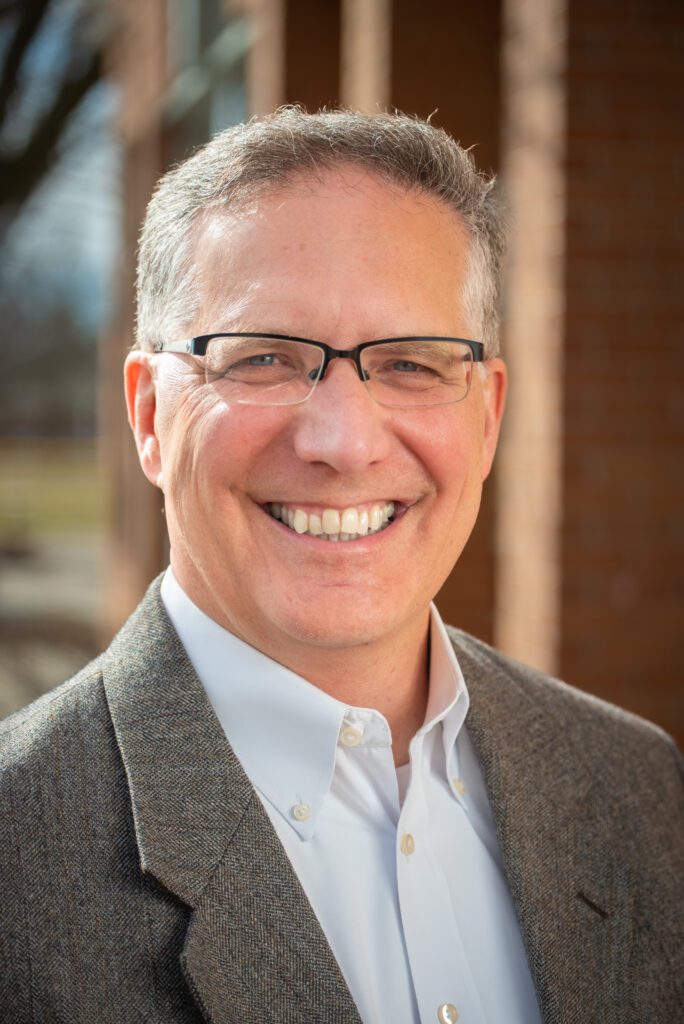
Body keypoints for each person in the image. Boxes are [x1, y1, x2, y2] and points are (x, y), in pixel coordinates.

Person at [1, 108, 681, 1024]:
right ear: (150, 415)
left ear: (486, 419)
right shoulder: (19, 852)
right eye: (266, 357)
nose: (344, 441)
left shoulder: (641, 788)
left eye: (409, 363)